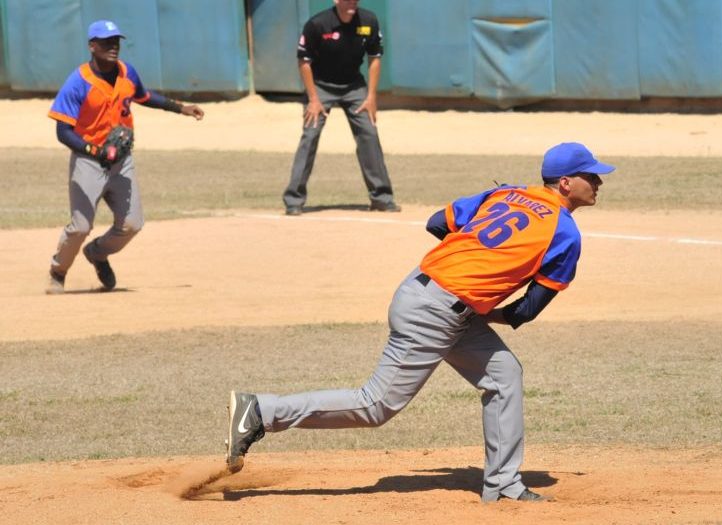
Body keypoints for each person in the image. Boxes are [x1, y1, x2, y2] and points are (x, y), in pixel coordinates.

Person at [228, 142, 614, 502]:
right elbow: (526, 310)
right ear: (565, 183)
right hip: (436, 312)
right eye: (591, 175)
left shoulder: (505, 194)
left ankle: (503, 484)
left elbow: (436, 222)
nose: (598, 182)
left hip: (423, 289)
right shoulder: (564, 231)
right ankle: (261, 411)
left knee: (504, 374)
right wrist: (481, 304)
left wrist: (470, 264)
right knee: (376, 405)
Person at [45, 20, 204, 294]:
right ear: (92, 46)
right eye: (106, 42)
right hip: (88, 162)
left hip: (121, 162)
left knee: (132, 225)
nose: (113, 47)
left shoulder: (127, 72)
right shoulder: (78, 82)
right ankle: (58, 270)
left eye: (116, 41)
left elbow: (144, 96)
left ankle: (97, 253)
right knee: (81, 226)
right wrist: (92, 150)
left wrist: (180, 108)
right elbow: (63, 131)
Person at [282, 0, 400, 215]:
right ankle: (294, 200)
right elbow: (304, 61)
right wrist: (314, 99)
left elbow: (375, 58)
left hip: (354, 87)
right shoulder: (318, 24)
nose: (352, 3)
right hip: (320, 87)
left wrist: (371, 96)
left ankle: (382, 197)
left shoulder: (368, 20)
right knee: (310, 135)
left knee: (369, 134)